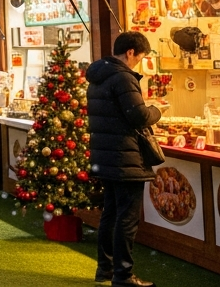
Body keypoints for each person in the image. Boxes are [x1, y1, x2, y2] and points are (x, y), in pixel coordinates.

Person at [87, 31, 163, 287]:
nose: (138, 62)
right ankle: (123, 275)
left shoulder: (98, 76)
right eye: (140, 57)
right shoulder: (123, 76)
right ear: (130, 52)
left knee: (110, 213)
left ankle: (105, 269)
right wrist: (158, 110)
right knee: (127, 218)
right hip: (125, 156)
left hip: (105, 155)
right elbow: (138, 116)